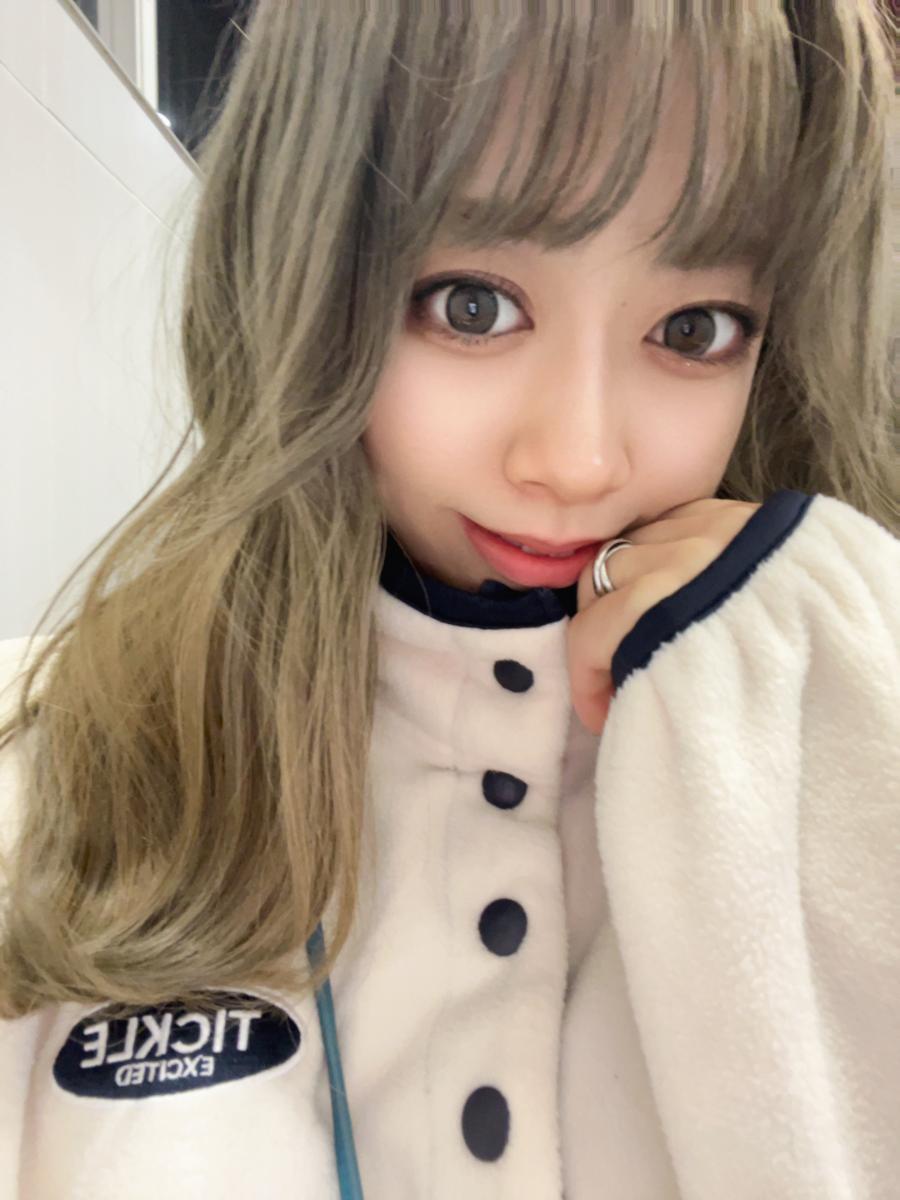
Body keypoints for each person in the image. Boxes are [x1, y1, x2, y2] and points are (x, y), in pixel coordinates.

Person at [0, 2, 896, 1197]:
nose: (578, 461)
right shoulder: (68, 773)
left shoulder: (842, 719)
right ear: (302, 279)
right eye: (471, 305)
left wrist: (845, 670)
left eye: (695, 329)